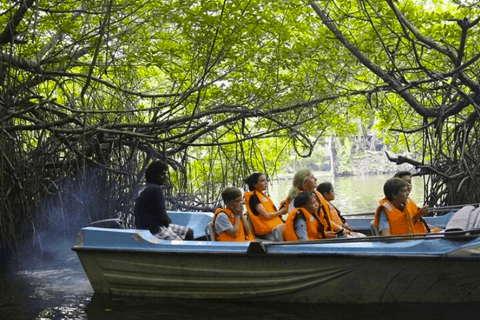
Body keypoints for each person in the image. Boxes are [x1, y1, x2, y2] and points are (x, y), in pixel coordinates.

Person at [134, 160, 194, 240]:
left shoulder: (144, 189)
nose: (165, 177)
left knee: (189, 232)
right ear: (154, 175)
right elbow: (162, 215)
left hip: (148, 228)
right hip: (154, 230)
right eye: (162, 174)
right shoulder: (156, 189)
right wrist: (169, 223)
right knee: (179, 243)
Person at [244, 173, 286, 241]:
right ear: (255, 185)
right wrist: (280, 212)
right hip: (267, 232)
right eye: (262, 181)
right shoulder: (253, 197)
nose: (265, 182)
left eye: (265, 180)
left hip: (274, 228)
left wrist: (281, 211)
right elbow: (266, 215)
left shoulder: (263, 196)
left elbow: (272, 213)